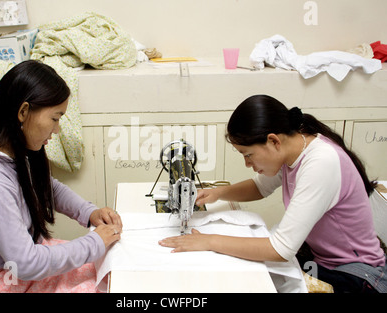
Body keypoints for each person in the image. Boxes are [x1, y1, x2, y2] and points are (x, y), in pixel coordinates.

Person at [159, 94, 387, 293]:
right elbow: (260, 187)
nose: (247, 163)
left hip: (357, 275)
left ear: (273, 141)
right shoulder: (294, 150)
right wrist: (217, 193)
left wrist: (208, 241)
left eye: (248, 155)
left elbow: (281, 249)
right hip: (325, 260)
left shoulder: (320, 163)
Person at [0, 60, 122, 293]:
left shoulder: (11, 151)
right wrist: (96, 241)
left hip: (15, 268)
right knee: (103, 284)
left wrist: (89, 212)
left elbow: (47, 188)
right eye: (55, 118)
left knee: (107, 270)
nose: (56, 130)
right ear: (24, 111)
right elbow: (25, 263)